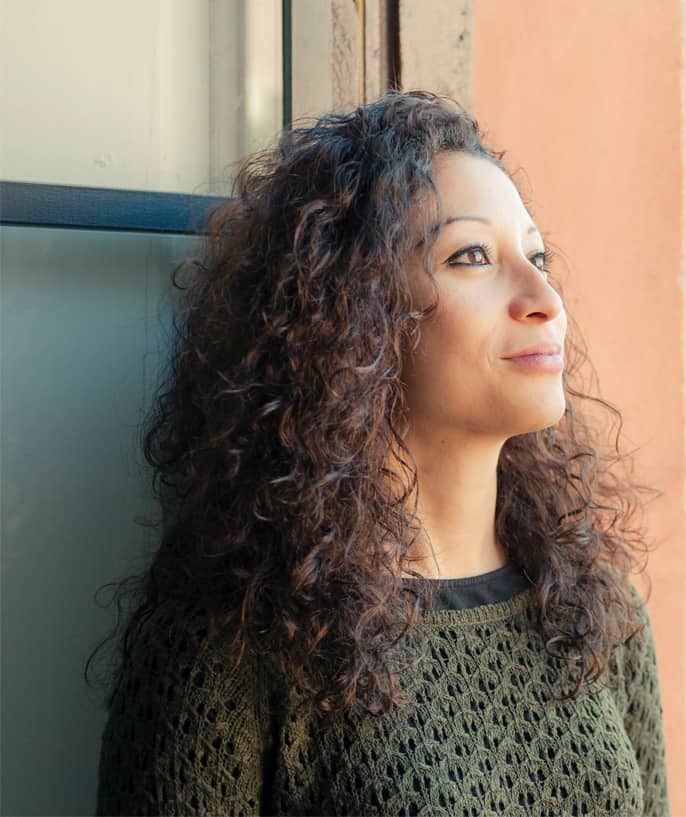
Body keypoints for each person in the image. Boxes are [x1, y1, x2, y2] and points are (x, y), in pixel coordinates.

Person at [87, 89, 670, 816]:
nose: (543, 295)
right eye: (472, 257)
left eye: (538, 254)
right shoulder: (231, 643)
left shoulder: (595, 608)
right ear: (356, 319)